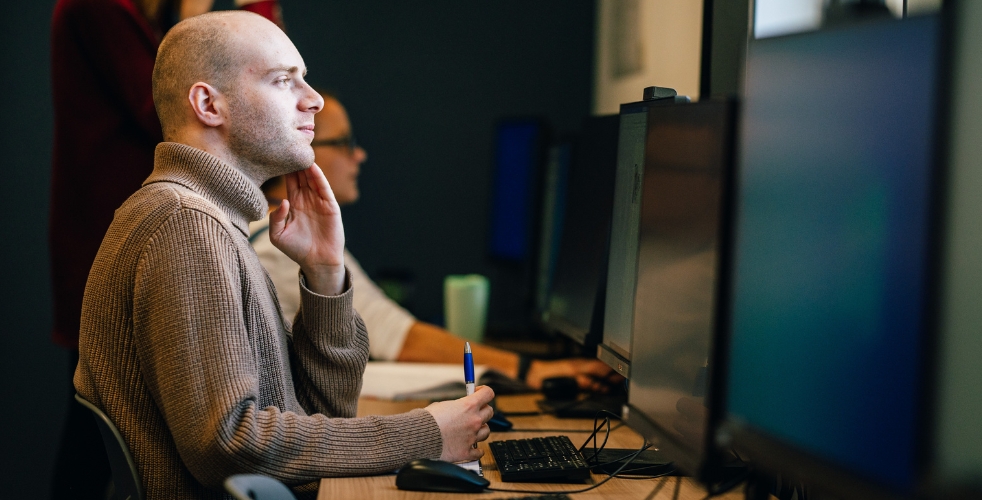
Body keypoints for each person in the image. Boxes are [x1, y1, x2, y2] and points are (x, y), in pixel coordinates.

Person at [75, 11, 494, 499]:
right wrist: (423, 436)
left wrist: (324, 275)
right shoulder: (185, 224)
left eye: (306, 80)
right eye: (283, 80)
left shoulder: (214, 220)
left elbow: (321, 418)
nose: (313, 99)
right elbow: (229, 445)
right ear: (208, 104)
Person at [49, 0, 281, 497]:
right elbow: (169, 97)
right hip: (146, 231)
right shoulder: (98, 10)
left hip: (178, 217)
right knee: (113, 433)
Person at [249, 92, 620, 391]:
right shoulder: (279, 246)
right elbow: (395, 338)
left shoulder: (287, 231)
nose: (359, 155)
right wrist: (530, 370)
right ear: (298, 152)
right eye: (346, 142)